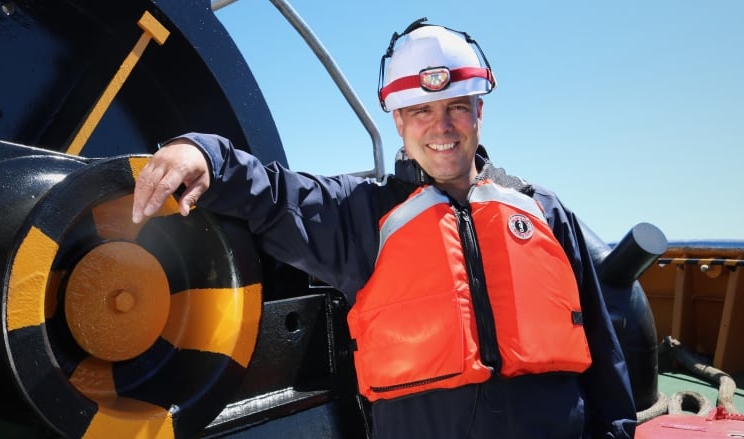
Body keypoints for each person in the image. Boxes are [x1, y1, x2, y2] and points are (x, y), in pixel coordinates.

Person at [132, 18, 636, 438]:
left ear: (479, 110)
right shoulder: (358, 216)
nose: (441, 127)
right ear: (398, 121)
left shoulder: (543, 211)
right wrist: (202, 153)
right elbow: (271, 194)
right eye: (421, 111)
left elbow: (601, 346)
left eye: (456, 106)